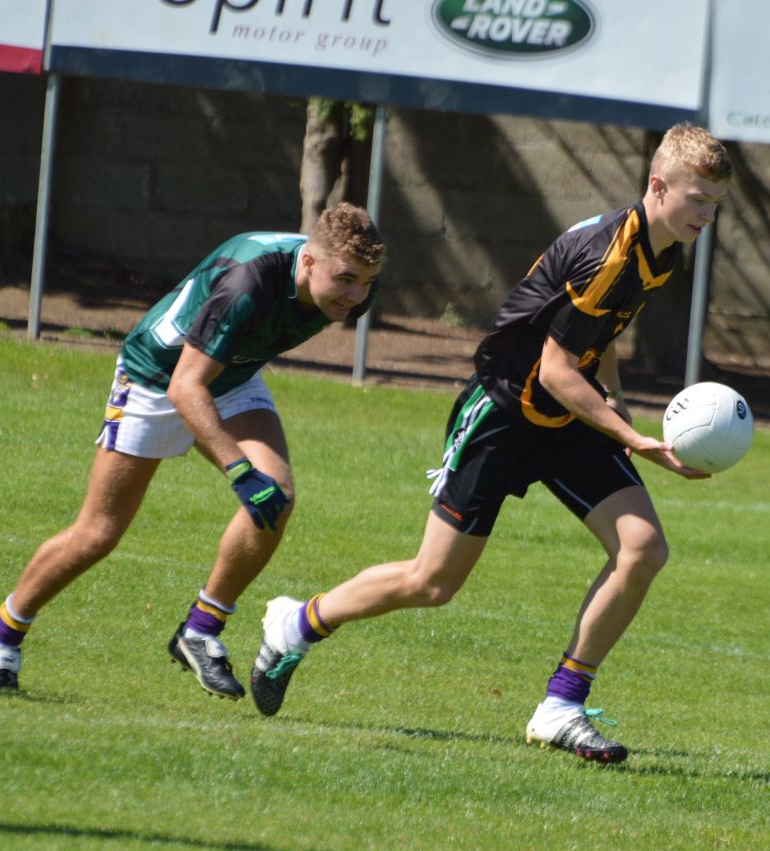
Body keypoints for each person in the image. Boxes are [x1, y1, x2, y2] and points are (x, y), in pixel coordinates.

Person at [248, 123, 732, 764]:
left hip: (565, 415)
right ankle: (297, 623)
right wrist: (633, 439)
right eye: (697, 199)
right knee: (433, 582)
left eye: (715, 204)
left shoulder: (664, 245)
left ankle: (561, 704)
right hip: (503, 412)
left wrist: (612, 400)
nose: (706, 214)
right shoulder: (610, 253)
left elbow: (602, 332)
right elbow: (558, 369)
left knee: (642, 548)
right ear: (657, 186)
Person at [0, 203, 386, 699]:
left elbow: (218, 375)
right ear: (309, 263)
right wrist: (239, 469)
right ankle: (0, 638)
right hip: (158, 377)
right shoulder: (248, 284)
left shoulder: (351, 290)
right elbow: (184, 388)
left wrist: (255, 477)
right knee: (99, 532)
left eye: (366, 281)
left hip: (230, 376)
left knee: (275, 499)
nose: (357, 295)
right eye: (346, 279)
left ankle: (200, 630)